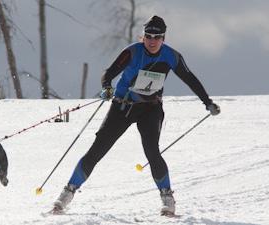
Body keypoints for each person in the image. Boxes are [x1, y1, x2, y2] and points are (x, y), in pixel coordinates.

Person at [51, 15, 220, 216]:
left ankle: (167, 198)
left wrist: (207, 102)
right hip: (123, 107)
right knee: (98, 149)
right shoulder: (132, 51)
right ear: (143, 36)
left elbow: (190, 78)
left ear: (163, 38)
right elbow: (109, 72)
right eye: (148, 36)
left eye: (157, 37)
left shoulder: (171, 56)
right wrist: (106, 87)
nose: (152, 40)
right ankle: (67, 193)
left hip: (150, 109)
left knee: (152, 151)